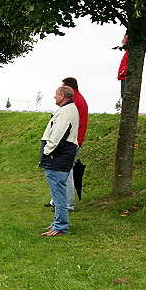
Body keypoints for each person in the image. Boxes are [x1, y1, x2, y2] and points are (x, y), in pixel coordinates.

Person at [40, 86, 80, 237]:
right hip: (61, 155)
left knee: (58, 193)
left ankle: (61, 226)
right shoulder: (69, 109)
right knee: (57, 192)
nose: (54, 97)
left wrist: (47, 151)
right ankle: (58, 221)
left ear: (62, 95)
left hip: (58, 156)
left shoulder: (65, 111)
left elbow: (58, 134)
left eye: (56, 95)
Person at [45, 77, 89, 211]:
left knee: (66, 172)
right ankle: (56, 201)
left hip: (71, 142)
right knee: (60, 171)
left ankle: (68, 204)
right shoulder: (77, 100)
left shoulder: (74, 102)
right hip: (73, 140)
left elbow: (66, 125)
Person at [118, 33, 128, 99]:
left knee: (125, 96)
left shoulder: (129, 53)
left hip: (125, 76)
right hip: (123, 76)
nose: (122, 41)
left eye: (124, 39)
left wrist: (123, 71)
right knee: (123, 96)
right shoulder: (127, 52)